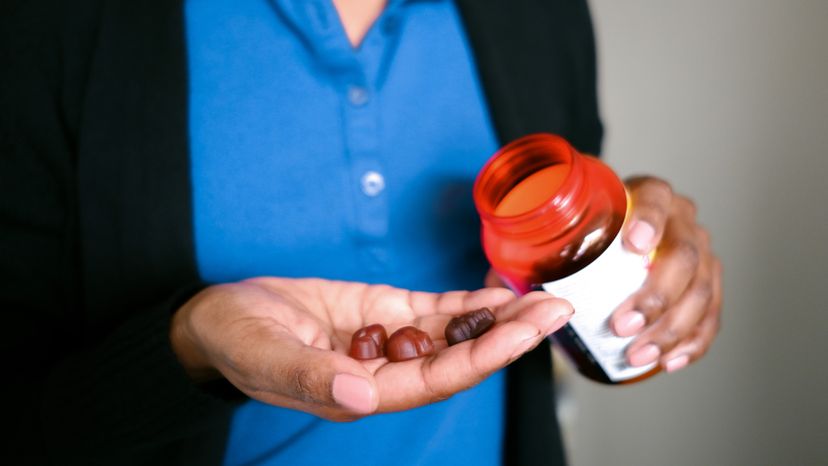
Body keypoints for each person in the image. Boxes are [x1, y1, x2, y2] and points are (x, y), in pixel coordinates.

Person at [0, 0, 721, 465]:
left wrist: (633, 262)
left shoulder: (540, 16)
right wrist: (189, 345)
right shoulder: (51, 28)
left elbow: (556, 243)